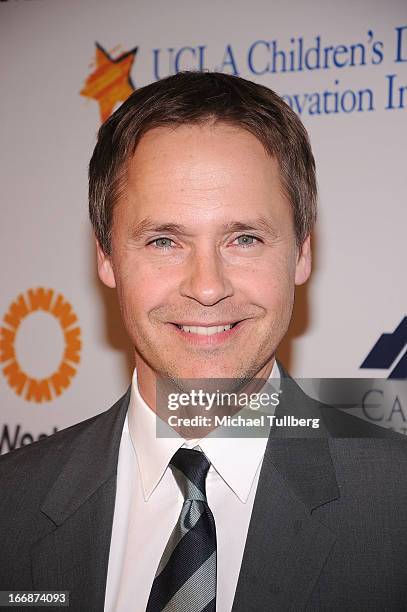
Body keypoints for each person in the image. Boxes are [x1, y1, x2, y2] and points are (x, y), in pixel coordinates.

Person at [0, 71, 406, 612]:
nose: (208, 286)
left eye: (245, 238)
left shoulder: (394, 506)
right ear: (106, 257)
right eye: (164, 240)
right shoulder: (11, 504)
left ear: (302, 254)